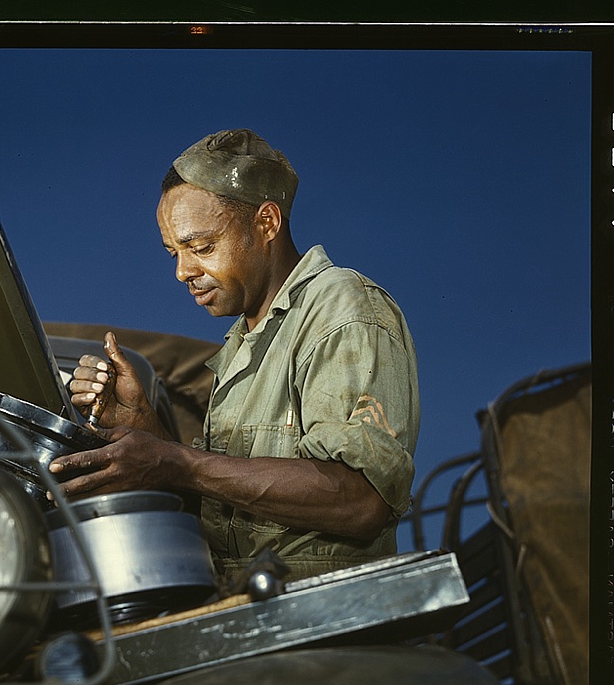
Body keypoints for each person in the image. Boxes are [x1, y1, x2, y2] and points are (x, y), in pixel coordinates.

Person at [49, 129, 419, 583]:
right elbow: (220, 501)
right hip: (246, 610)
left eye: (201, 247)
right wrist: (143, 426)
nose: (184, 271)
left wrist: (175, 462)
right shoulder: (244, 344)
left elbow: (361, 499)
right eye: (174, 253)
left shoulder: (342, 306)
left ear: (266, 223)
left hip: (328, 621)